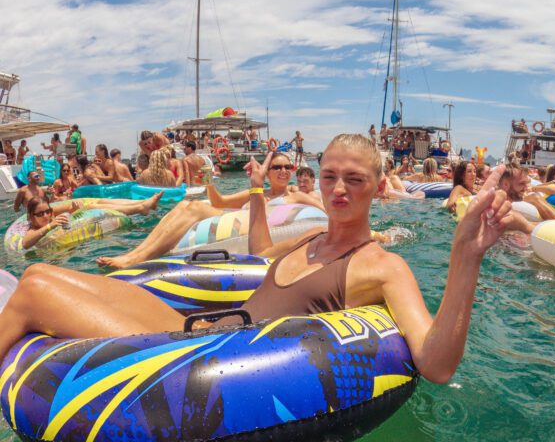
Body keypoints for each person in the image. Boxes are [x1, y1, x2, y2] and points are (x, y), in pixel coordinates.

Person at [0, 134, 513, 384]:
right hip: (197, 328)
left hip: (203, 359)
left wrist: (465, 256)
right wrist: (255, 192)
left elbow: (437, 363)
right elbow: (258, 255)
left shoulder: (380, 265)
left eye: (354, 180)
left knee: (34, 292)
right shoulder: (307, 240)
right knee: (42, 271)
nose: (337, 189)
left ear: (378, 188)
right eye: (329, 175)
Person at [96, 151, 324, 269]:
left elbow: (326, 214)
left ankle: (137, 258)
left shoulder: (295, 195)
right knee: (185, 205)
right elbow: (219, 201)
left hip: (253, 226)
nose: (283, 171)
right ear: (267, 170)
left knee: (193, 207)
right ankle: (134, 254)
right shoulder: (258, 193)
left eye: (288, 167)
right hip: (234, 220)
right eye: (277, 167)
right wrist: (207, 181)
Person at [20, 193, 164, 251]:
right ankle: (141, 207)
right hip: (58, 256)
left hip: (76, 244)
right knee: (93, 206)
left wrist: (74, 210)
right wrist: (50, 225)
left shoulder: (53, 214)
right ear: (32, 217)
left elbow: (71, 211)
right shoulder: (33, 228)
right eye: (40, 213)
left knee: (98, 202)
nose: (46, 215)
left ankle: (142, 204)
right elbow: (26, 244)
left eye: (48, 211)